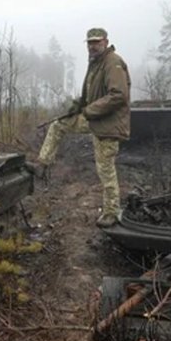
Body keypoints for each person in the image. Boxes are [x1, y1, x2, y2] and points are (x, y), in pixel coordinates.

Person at [34, 27, 131, 228]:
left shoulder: (113, 63)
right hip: (95, 118)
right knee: (57, 125)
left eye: (96, 42)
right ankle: (42, 164)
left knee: (105, 170)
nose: (92, 46)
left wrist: (88, 110)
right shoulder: (96, 64)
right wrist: (78, 104)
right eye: (89, 42)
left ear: (105, 42)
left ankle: (112, 212)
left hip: (109, 125)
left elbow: (119, 96)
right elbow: (90, 96)